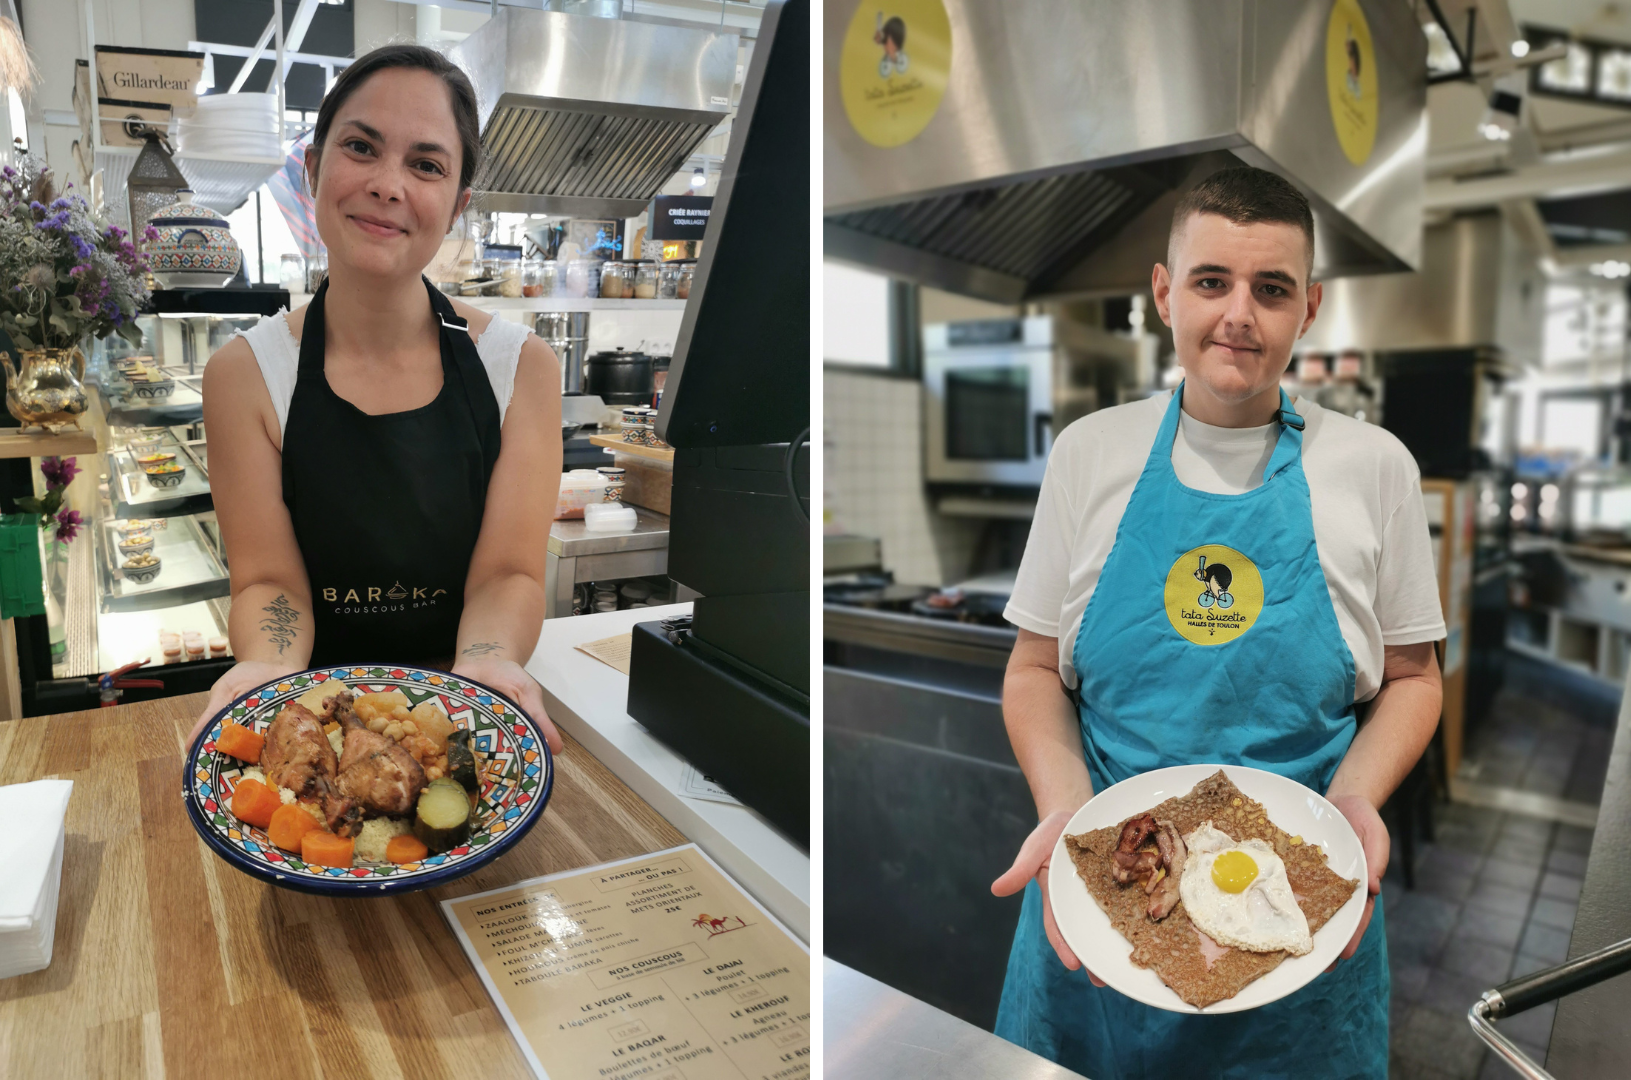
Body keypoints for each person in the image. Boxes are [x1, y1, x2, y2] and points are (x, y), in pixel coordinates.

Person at [989, 166, 1445, 1078]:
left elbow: (1413, 679)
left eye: (1270, 289)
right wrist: (1063, 808)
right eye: (1210, 282)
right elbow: (1033, 667)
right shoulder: (1089, 455)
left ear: (1306, 308)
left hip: (1301, 925)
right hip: (1102, 915)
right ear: (1164, 293)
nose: (1239, 314)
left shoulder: (1373, 467)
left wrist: (1355, 801)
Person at [187, 44, 564, 754]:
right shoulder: (245, 374)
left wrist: (484, 665)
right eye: (361, 147)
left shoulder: (520, 367)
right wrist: (267, 667)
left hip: (464, 711)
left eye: (425, 164)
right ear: (312, 170)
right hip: (311, 716)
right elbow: (269, 580)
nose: (388, 185)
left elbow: (508, 572)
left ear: (457, 206)